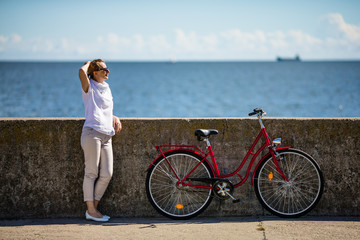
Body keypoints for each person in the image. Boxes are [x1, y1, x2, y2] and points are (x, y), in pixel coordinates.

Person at [78, 59, 122, 222]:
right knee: (91, 173)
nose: (108, 72)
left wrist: (113, 116)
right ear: (94, 72)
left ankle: (93, 208)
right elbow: (81, 72)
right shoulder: (89, 86)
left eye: (107, 69)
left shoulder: (106, 88)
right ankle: (91, 210)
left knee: (107, 174)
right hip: (92, 133)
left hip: (106, 135)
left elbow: (102, 108)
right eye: (104, 69)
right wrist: (88, 63)